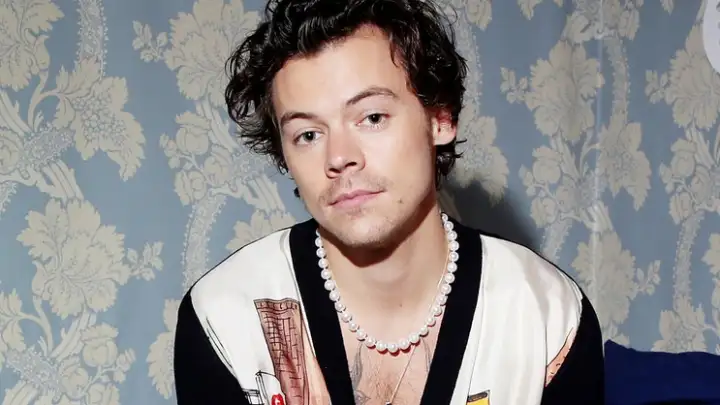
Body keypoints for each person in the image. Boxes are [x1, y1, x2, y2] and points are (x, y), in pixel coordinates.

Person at [172, 0, 605, 403]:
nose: (339, 157)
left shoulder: (546, 316)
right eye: (308, 134)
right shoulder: (226, 318)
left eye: (372, 117)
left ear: (441, 118)